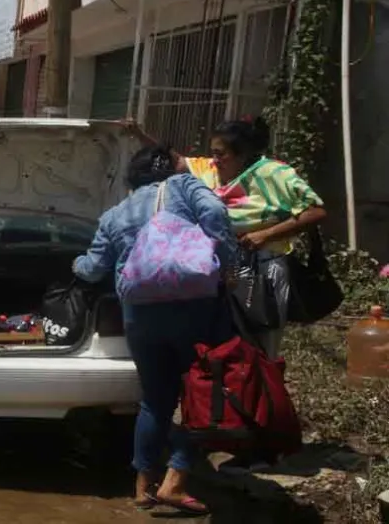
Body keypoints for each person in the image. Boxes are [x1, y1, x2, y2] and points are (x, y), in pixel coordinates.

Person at [73, 145, 238, 516]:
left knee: (154, 399)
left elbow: (93, 267)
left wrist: (73, 263)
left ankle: (142, 486)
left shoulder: (116, 212)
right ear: (168, 169)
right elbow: (214, 211)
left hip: (140, 315)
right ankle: (175, 481)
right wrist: (225, 261)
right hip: (192, 307)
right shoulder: (183, 186)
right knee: (203, 391)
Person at [129, 117, 327, 357]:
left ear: (242, 154)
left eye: (221, 154)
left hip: (262, 268)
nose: (214, 160)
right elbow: (174, 159)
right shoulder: (210, 171)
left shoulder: (274, 174)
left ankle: (260, 388)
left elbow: (316, 210)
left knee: (260, 340)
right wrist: (138, 134)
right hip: (218, 268)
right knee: (219, 343)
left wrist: (264, 235)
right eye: (213, 153)